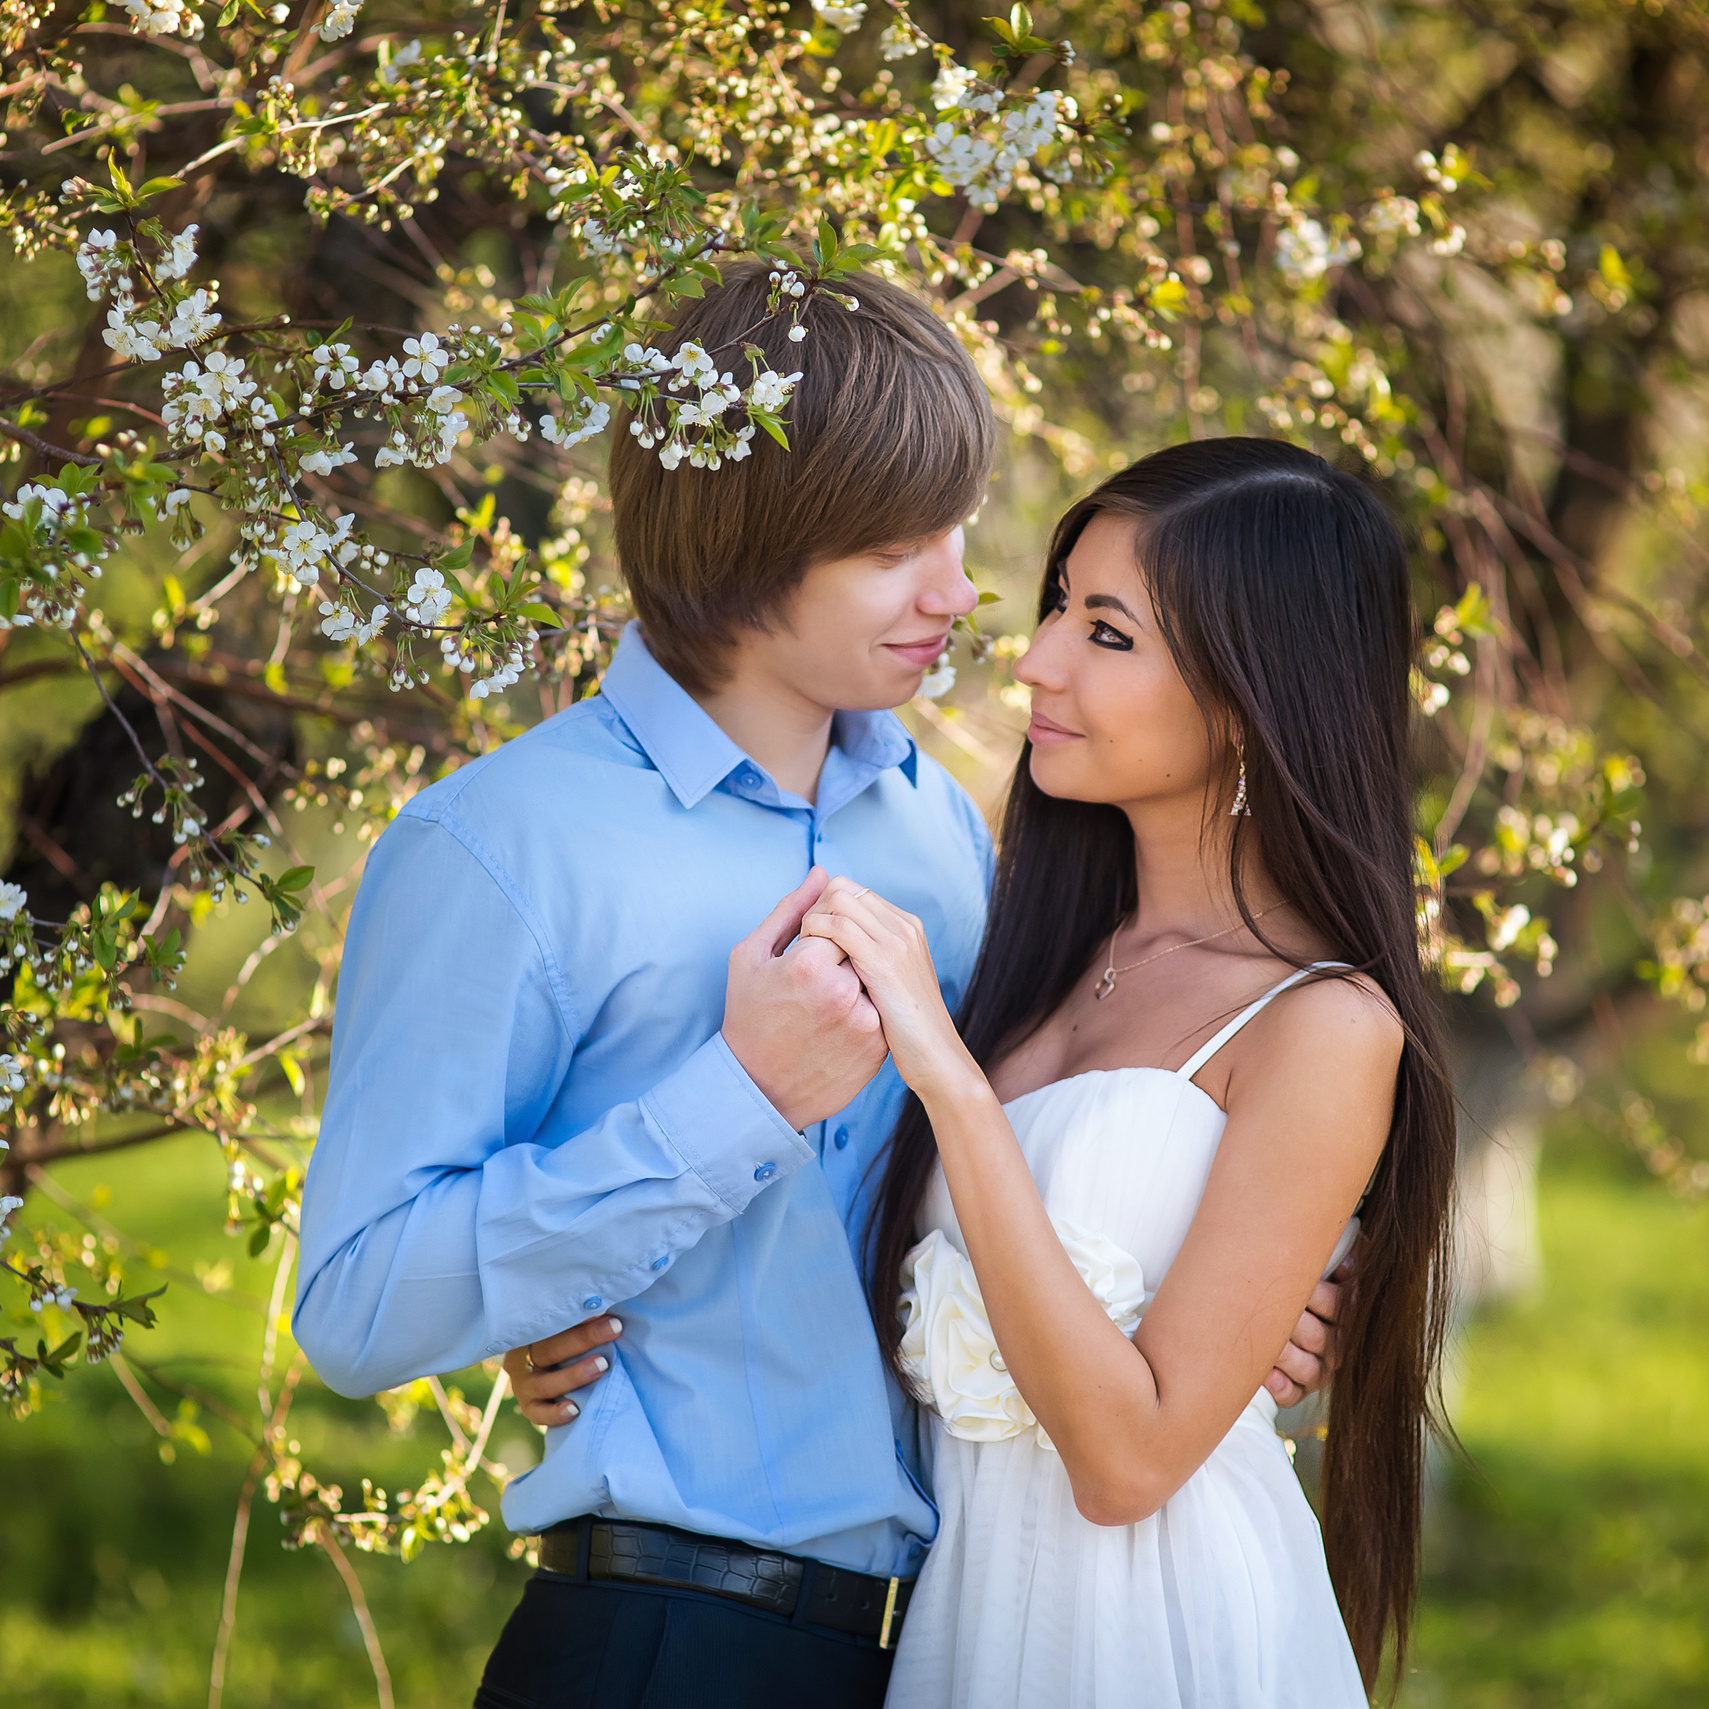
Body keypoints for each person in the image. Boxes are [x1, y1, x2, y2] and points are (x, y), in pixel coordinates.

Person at [294, 264, 1341, 1709]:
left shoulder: (940, 835)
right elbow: (359, 1307)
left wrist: (1218, 1289)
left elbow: (995, 1183)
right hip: (667, 1638)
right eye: (896, 548)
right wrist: (731, 1106)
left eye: (961, 532)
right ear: (746, 540)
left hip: (942, 1637)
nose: (959, 594)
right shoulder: (502, 848)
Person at [797, 438, 1457, 1707]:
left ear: (1254, 691)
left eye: (1105, 632)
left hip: (1163, 1635)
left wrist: (950, 1080)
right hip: (969, 1625)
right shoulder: (1032, 958)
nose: (1036, 658)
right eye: (1056, 607)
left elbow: (1127, 1461)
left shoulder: (1321, 1024)